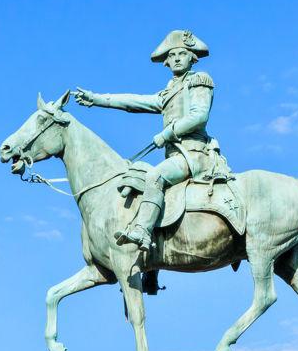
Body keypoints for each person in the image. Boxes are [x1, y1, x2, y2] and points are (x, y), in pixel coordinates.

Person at [72, 29, 232, 256]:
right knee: (136, 179)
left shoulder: (199, 80)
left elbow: (199, 116)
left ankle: (142, 231)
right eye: (172, 55)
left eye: (182, 53)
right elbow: (133, 102)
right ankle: (151, 269)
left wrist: (167, 134)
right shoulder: (168, 92)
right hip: (177, 155)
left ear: (191, 57)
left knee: (154, 176)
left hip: (194, 154)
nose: (177, 58)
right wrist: (98, 99)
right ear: (166, 62)